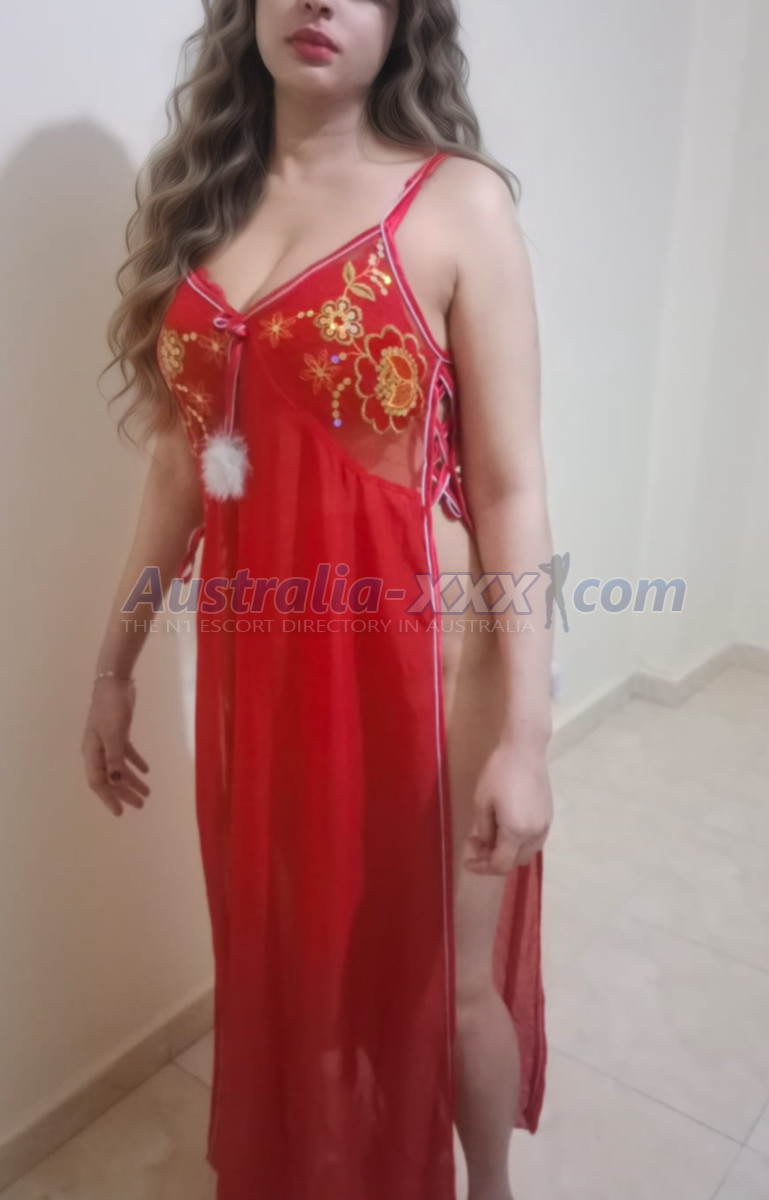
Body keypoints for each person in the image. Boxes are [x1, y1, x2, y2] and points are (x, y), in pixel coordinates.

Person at [82, 0, 555, 1197]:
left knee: (442, 982)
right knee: (297, 961)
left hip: (423, 672)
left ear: (402, 20)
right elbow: (183, 472)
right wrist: (112, 664)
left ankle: (486, 1189)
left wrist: (526, 739)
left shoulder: (455, 204)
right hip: (262, 670)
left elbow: (508, 485)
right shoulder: (208, 210)